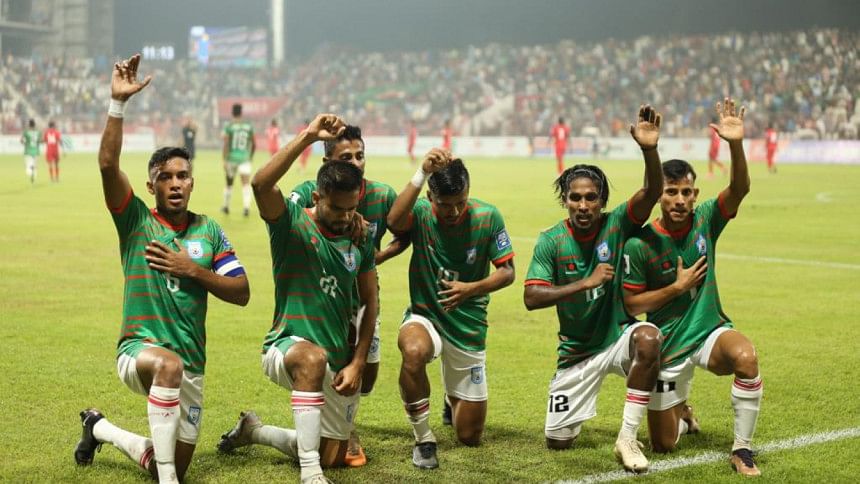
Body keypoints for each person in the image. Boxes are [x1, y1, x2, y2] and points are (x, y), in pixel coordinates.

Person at [73, 54, 250, 484]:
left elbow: (242, 291)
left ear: (192, 182)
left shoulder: (209, 230)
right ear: (151, 185)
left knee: (171, 461)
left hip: (192, 362)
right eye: (165, 177)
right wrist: (117, 103)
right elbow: (107, 166)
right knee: (168, 370)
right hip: (141, 352)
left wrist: (193, 270)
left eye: (182, 176)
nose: (175, 183)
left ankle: (100, 428)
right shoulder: (135, 221)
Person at [217, 114, 379, 484]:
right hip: (287, 345)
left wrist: (357, 362)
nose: (346, 217)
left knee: (334, 455)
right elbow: (261, 184)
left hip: (337, 357)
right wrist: (307, 136)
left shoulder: (360, 236)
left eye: (352, 208)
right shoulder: (290, 223)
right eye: (337, 209)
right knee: (312, 359)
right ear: (317, 197)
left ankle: (255, 431)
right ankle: (310, 474)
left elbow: (370, 302)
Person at [621, 99, 761, 476]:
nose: (680, 200)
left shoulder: (706, 220)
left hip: (708, 331)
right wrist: (676, 288)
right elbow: (632, 304)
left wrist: (735, 144)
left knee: (746, 358)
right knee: (664, 444)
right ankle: (682, 414)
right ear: (659, 195)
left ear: (695, 195)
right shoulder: (640, 243)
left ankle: (742, 449)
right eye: (671, 192)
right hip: (667, 347)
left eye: (686, 192)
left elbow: (740, 188)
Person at [523, 105, 664, 473]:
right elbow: (531, 297)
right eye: (575, 198)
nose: (583, 205)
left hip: (617, 338)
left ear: (602, 201)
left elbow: (653, 191)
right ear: (565, 200)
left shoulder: (617, 224)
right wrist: (584, 282)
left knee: (649, 338)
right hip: (576, 353)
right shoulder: (551, 240)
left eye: (591, 198)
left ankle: (627, 438)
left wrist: (649, 149)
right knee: (558, 442)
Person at [287, 124, 411, 466]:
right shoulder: (309, 192)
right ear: (327, 162)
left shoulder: (382, 194)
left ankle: (335, 423)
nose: (355, 162)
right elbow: (288, 220)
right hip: (325, 299)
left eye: (360, 155)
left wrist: (376, 256)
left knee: (366, 376)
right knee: (332, 367)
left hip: (365, 298)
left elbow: (406, 231)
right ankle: (344, 428)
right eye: (346, 157)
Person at [387, 151, 516, 469]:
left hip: (468, 325)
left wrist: (470, 289)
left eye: (461, 202)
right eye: (445, 204)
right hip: (426, 315)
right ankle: (423, 438)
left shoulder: (488, 216)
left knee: (469, 436)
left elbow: (507, 272)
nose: (454, 211)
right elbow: (393, 221)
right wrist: (421, 172)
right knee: (413, 351)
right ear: (431, 197)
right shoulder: (420, 212)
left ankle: (451, 397)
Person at [221, 103, 255, 216]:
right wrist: (250, 157)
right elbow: (254, 143)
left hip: (231, 158)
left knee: (229, 183)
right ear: (241, 112)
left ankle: (226, 206)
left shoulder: (229, 126)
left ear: (232, 112)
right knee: (245, 183)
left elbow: (226, 143)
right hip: (244, 158)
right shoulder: (248, 126)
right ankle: (246, 208)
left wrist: (224, 159)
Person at [21, 119, 40, 184]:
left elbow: (21, 140)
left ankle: (30, 172)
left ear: (29, 125)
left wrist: (25, 144)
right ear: (35, 125)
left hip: (28, 151)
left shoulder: (26, 132)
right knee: (35, 166)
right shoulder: (38, 132)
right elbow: (40, 141)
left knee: (28, 166)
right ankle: (33, 178)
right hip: (36, 151)